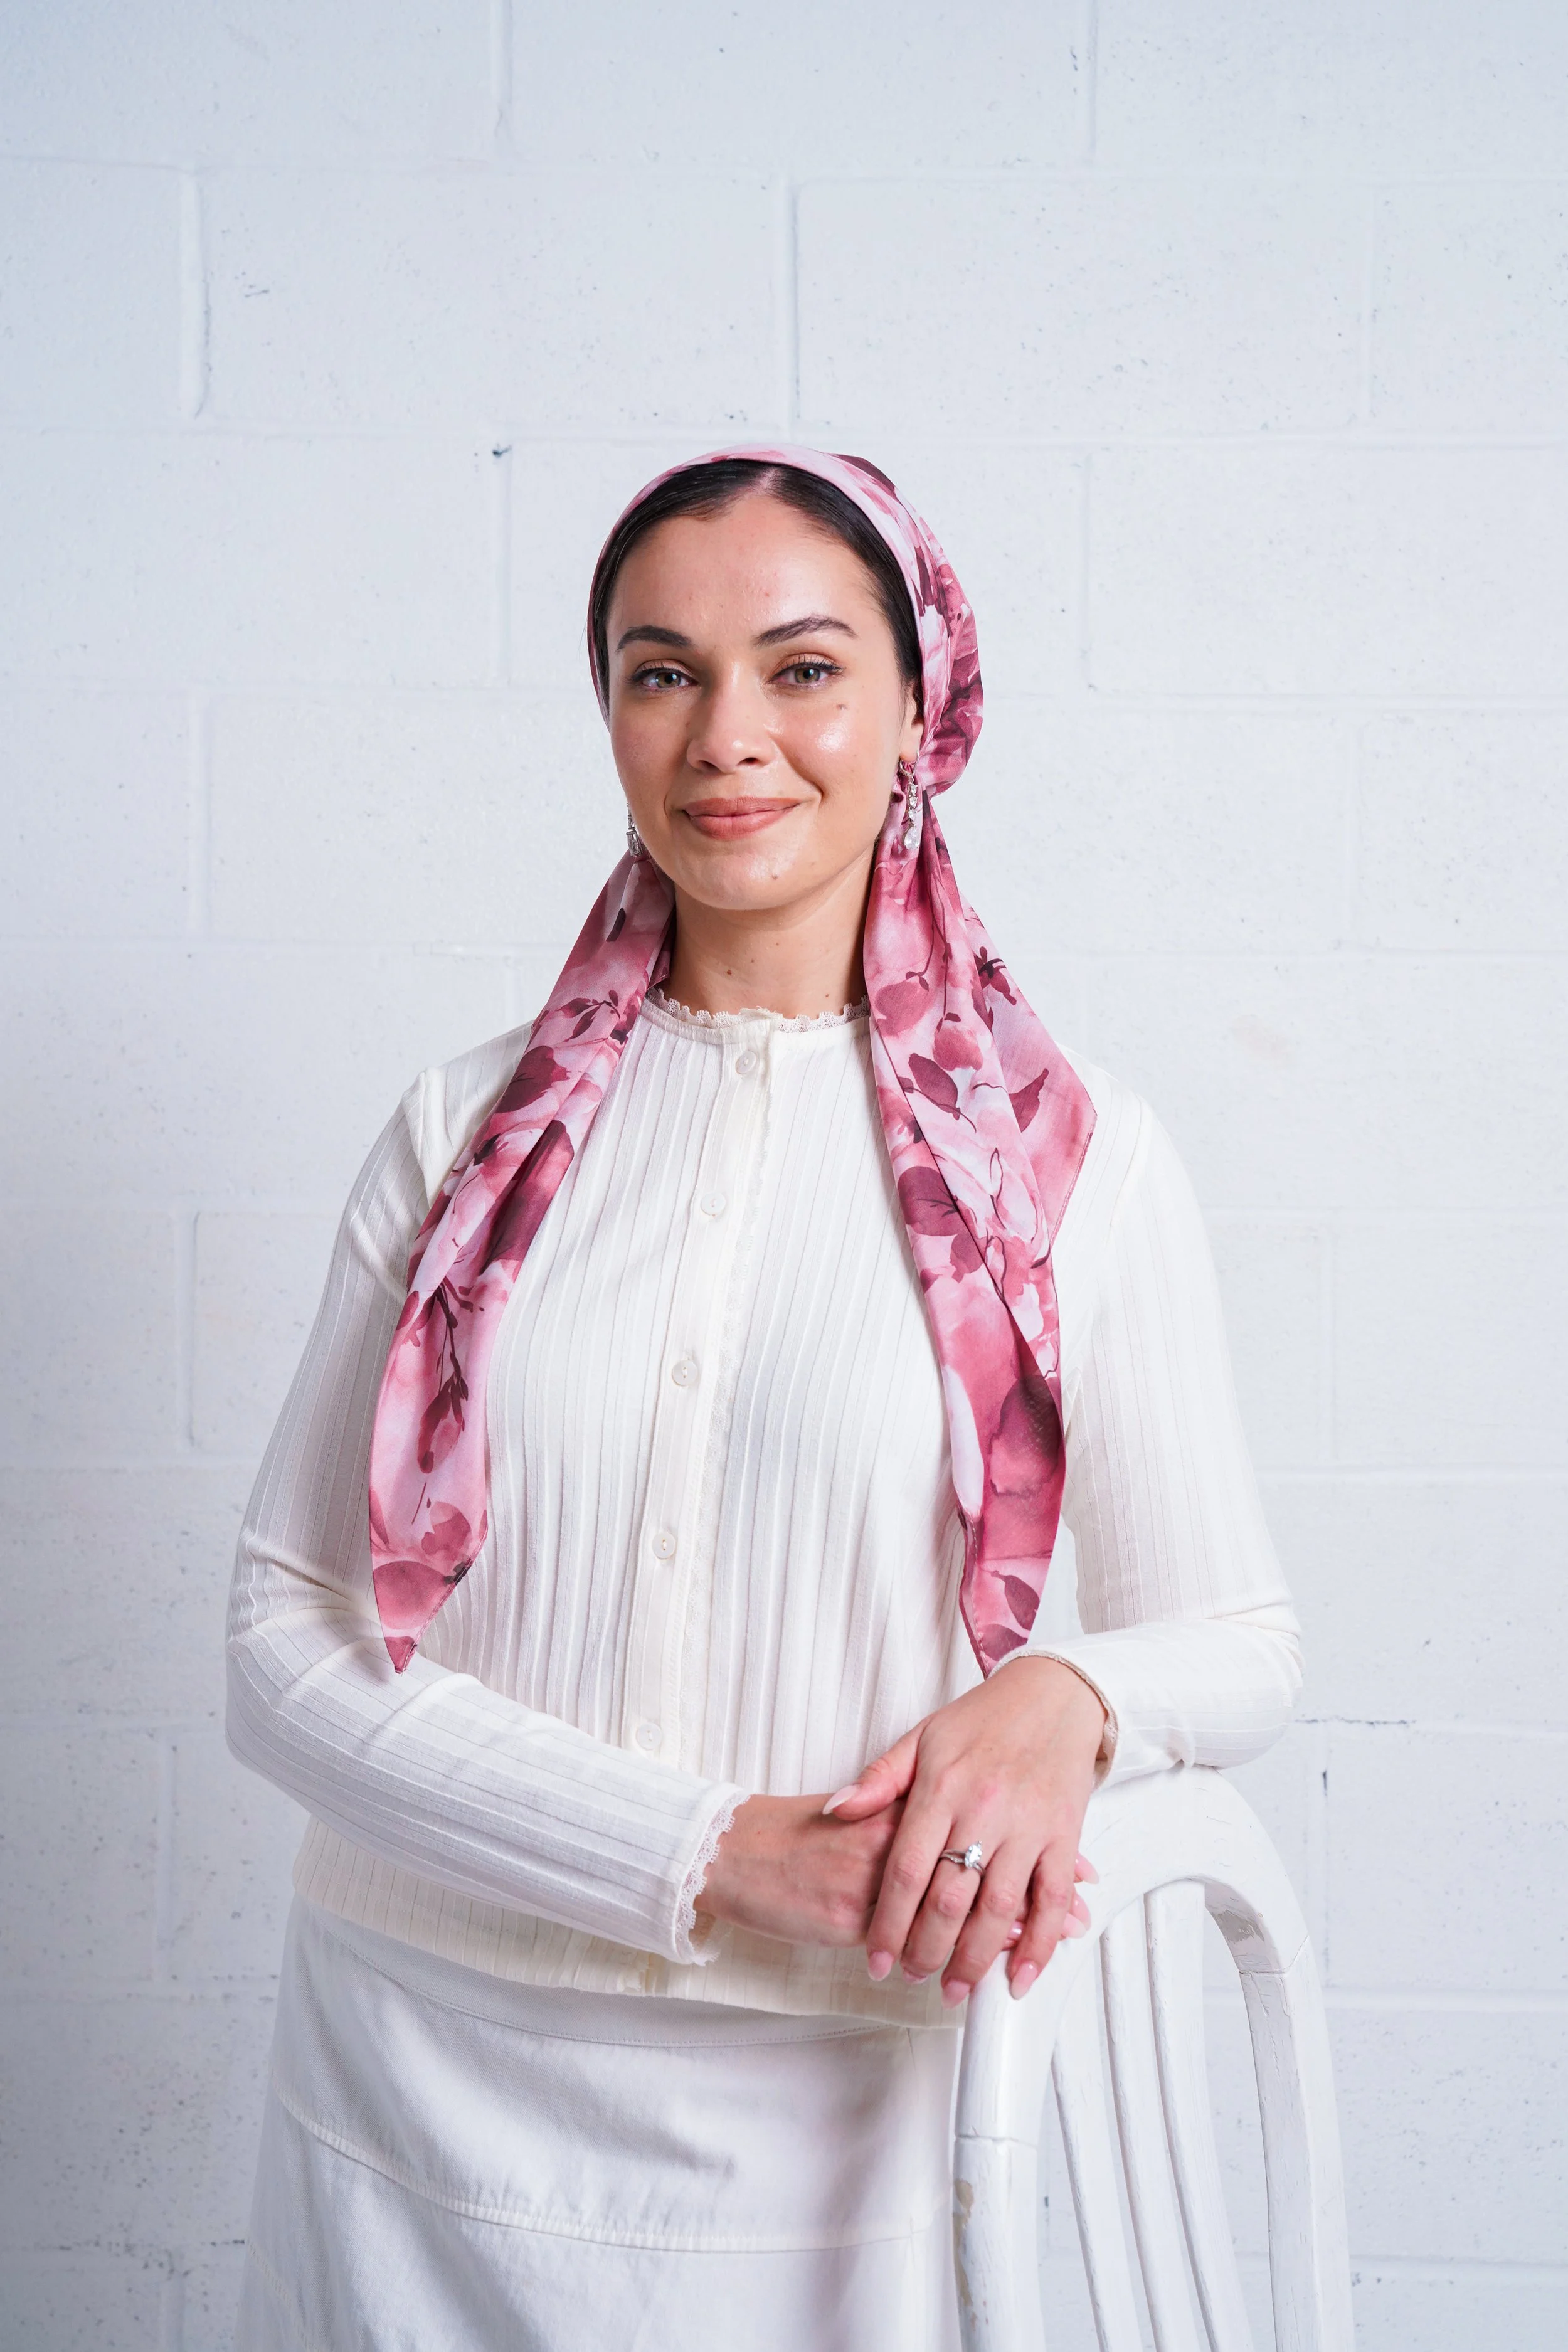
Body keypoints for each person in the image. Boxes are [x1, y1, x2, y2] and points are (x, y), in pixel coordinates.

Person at [226, 447, 1301, 2350]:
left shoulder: (1070, 1167)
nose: (728, 735)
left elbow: (1237, 1639)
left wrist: (1068, 1694)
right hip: (403, 2070)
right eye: (663, 672)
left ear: (921, 708)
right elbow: (278, 1644)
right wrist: (711, 1850)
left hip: (832, 2104)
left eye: (802, 669)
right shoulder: (459, 1131)